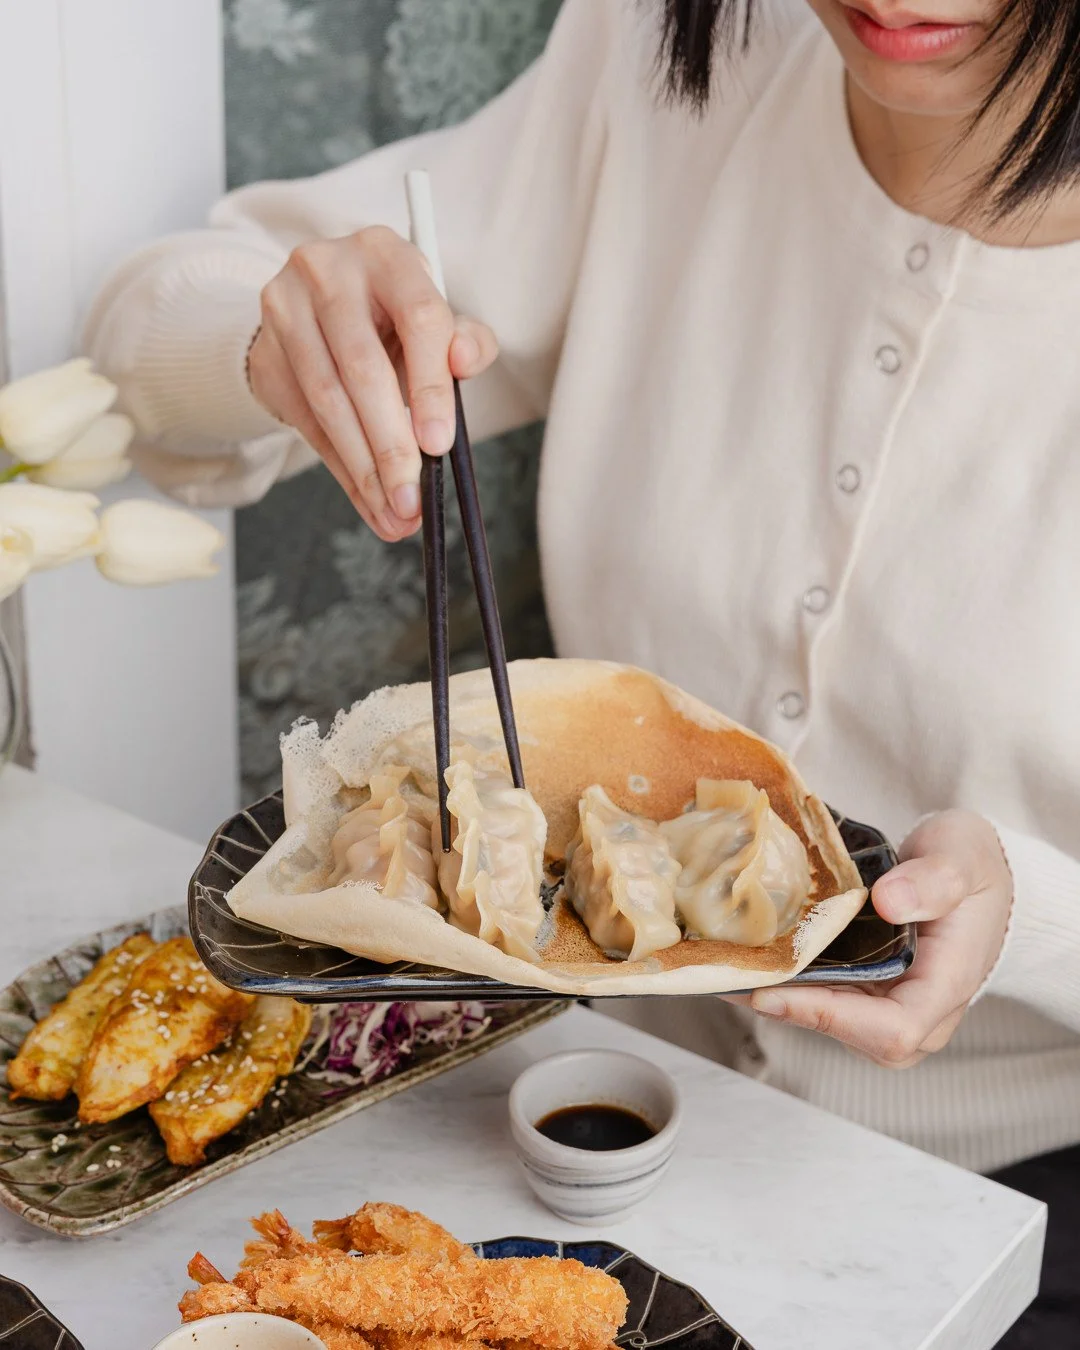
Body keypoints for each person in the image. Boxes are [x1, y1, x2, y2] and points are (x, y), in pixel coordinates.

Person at [86, 1, 1080, 1341]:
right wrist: (276, 340)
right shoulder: (691, 55)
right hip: (545, 1121)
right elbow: (150, 324)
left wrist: (1026, 912)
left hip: (993, 1216)